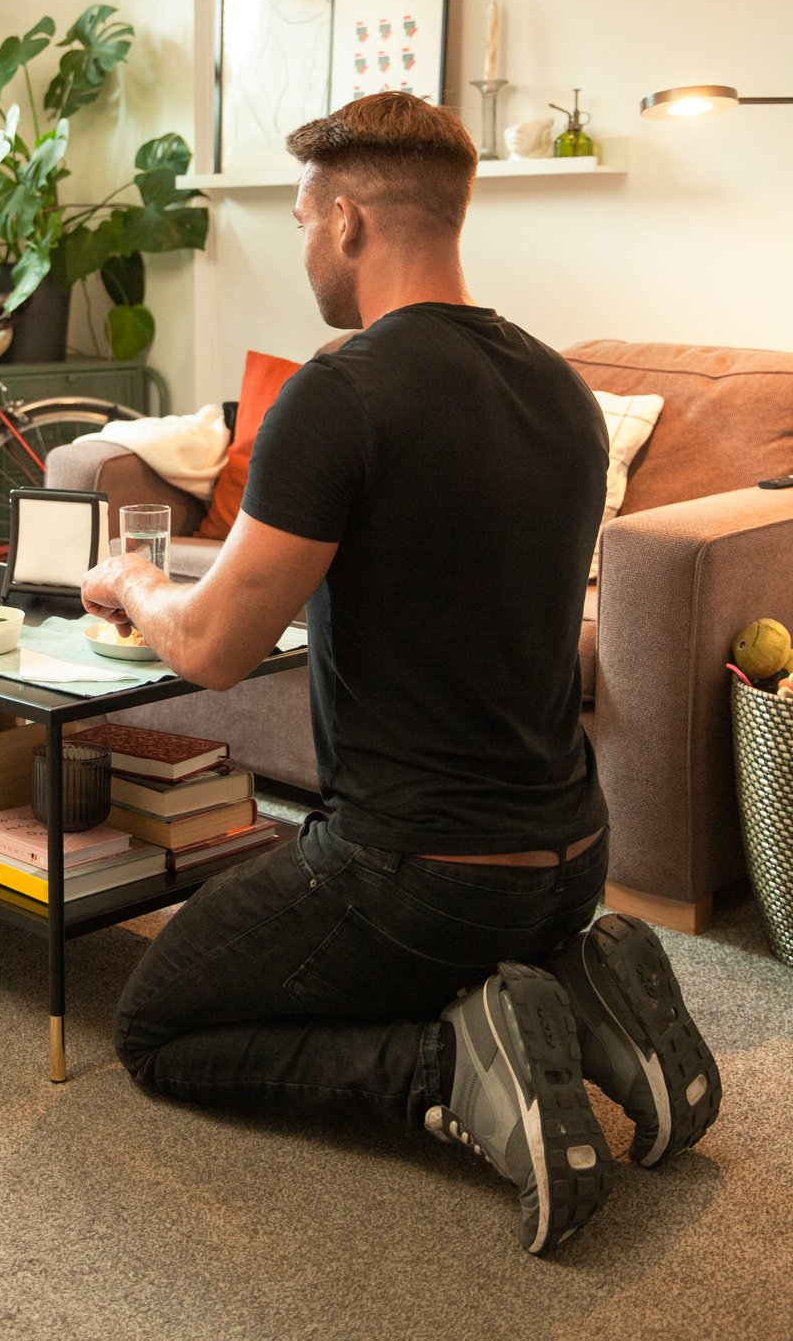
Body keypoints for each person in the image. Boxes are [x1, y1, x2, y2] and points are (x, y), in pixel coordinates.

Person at [79, 92, 721, 1257]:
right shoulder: (558, 392)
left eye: (301, 221)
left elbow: (213, 649)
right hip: (572, 857)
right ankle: (585, 1010)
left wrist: (130, 580)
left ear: (346, 220)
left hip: (412, 875)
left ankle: (449, 1066)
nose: (303, 247)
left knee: (157, 1028)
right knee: (412, 949)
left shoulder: (340, 392)